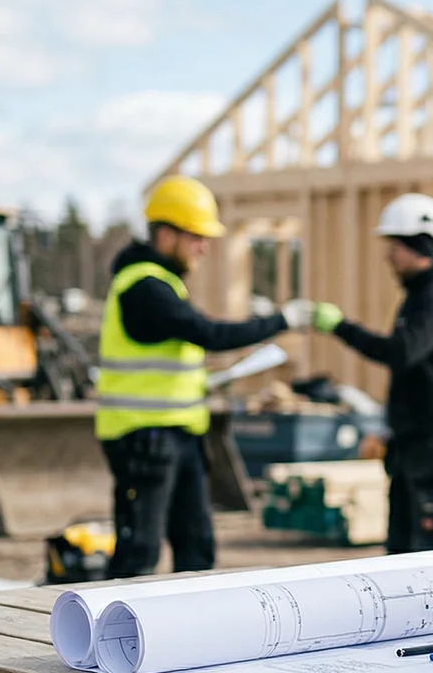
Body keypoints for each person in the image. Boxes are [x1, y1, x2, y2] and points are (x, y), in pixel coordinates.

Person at [96, 176, 320, 577]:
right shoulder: (144, 287)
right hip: (144, 439)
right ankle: (115, 638)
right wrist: (283, 320)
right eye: (196, 236)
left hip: (177, 435)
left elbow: (170, 356)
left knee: (197, 546)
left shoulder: (162, 283)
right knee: (138, 551)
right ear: (166, 234)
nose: (204, 246)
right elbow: (210, 334)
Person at [319, 193, 433, 554]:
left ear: (419, 245)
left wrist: (341, 327)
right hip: (414, 443)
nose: (389, 255)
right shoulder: (419, 297)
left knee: (431, 553)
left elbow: (400, 352)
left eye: (395, 246)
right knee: (403, 553)